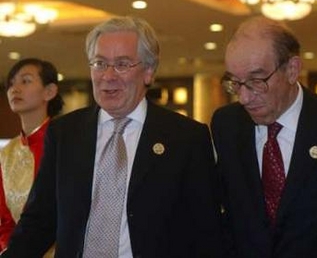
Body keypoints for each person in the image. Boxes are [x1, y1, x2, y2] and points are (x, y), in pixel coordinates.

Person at [1, 16, 223, 258]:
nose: (108, 76)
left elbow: (206, 234)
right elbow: (40, 219)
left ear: (148, 72)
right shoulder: (65, 133)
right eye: (99, 63)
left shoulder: (186, 138)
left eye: (122, 64)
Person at [211, 16, 317, 258]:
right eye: (235, 83)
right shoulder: (227, 125)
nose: (244, 97)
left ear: (292, 70)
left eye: (257, 81)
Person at [0, 58, 64, 257]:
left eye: (25, 81)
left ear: (49, 91)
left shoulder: (66, 143)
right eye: (11, 83)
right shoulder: (6, 153)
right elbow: (5, 220)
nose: (15, 89)